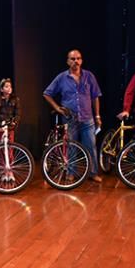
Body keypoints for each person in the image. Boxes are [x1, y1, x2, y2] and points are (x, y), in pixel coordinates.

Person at [43, 49, 103, 183]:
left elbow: (95, 97)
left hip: (87, 118)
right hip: (69, 119)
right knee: (71, 146)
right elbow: (47, 93)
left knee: (91, 146)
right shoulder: (61, 77)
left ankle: (93, 173)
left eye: (78, 58)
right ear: (68, 61)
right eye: (72, 59)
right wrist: (57, 108)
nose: (76, 61)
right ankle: (71, 172)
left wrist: (97, 116)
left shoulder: (89, 76)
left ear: (81, 60)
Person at [0, 77, 21, 143]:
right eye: (6, 86)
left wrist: (15, 122)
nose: (9, 88)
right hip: (0, 126)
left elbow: (18, 113)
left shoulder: (15, 99)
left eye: (10, 86)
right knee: (2, 146)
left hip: (10, 126)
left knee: (10, 147)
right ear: (1, 89)